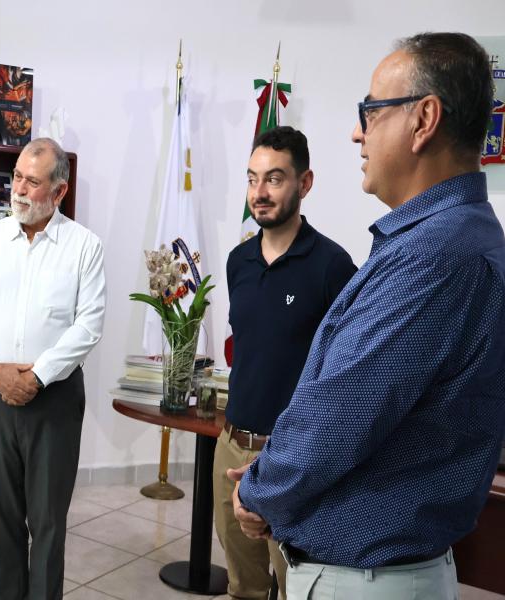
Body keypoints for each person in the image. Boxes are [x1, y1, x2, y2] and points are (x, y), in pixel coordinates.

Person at [231, 32, 505, 599]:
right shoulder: (449, 237)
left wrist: (259, 491)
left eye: (371, 112)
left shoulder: (435, 255)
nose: (358, 132)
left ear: (423, 119)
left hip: (365, 579)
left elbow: (336, 419)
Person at [0, 137, 106, 599]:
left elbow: (89, 325)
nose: (18, 189)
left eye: (32, 182)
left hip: (54, 399)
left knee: (48, 522)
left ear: (59, 192)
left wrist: (36, 376)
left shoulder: (85, 247)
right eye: (17, 176)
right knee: (1, 518)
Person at [216, 126, 356, 599]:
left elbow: (346, 377)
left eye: (274, 179)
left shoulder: (333, 266)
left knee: (299, 587)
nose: (260, 192)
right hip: (231, 445)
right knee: (244, 587)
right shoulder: (239, 262)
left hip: (291, 457)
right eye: (252, 179)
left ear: (305, 183)